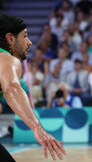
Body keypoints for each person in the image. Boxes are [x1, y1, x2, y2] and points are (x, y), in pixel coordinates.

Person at [0, 14, 66, 161]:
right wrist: (37, 127)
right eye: (25, 36)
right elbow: (12, 89)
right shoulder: (8, 59)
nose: (29, 42)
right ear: (10, 39)